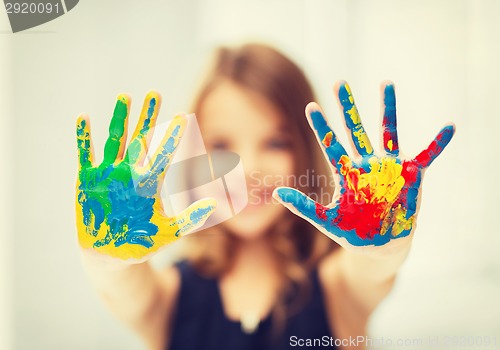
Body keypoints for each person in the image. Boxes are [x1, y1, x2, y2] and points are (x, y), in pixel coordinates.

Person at [75, 43, 455, 350]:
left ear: (305, 150)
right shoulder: (167, 297)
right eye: (221, 144)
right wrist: (107, 254)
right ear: (190, 154)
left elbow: (374, 270)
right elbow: (119, 285)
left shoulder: (339, 286)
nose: (251, 169)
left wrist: (381, 247)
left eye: (275, 142)